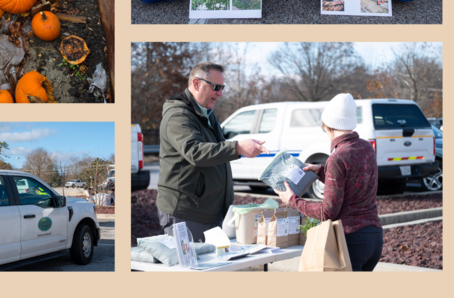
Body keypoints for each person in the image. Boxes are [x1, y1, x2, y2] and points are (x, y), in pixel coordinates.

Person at [157, 62, 269, 241]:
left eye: (222, 87)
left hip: (210, 213)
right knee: (189, 269)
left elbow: (215, 153)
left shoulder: (207, 113)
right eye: (216, 87)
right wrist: (237, 147)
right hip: (186, 214)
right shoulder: (178, 115)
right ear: (196, 84)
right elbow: (195, 152)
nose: (221, 93)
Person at [278, 93, 382, 271]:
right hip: (374, 237)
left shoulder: (337, 157)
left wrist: (292, 201)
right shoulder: (366, 147)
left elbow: (327, 212)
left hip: (350, 241)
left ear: (328, 127)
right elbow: (355, 184)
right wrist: (321, 171)